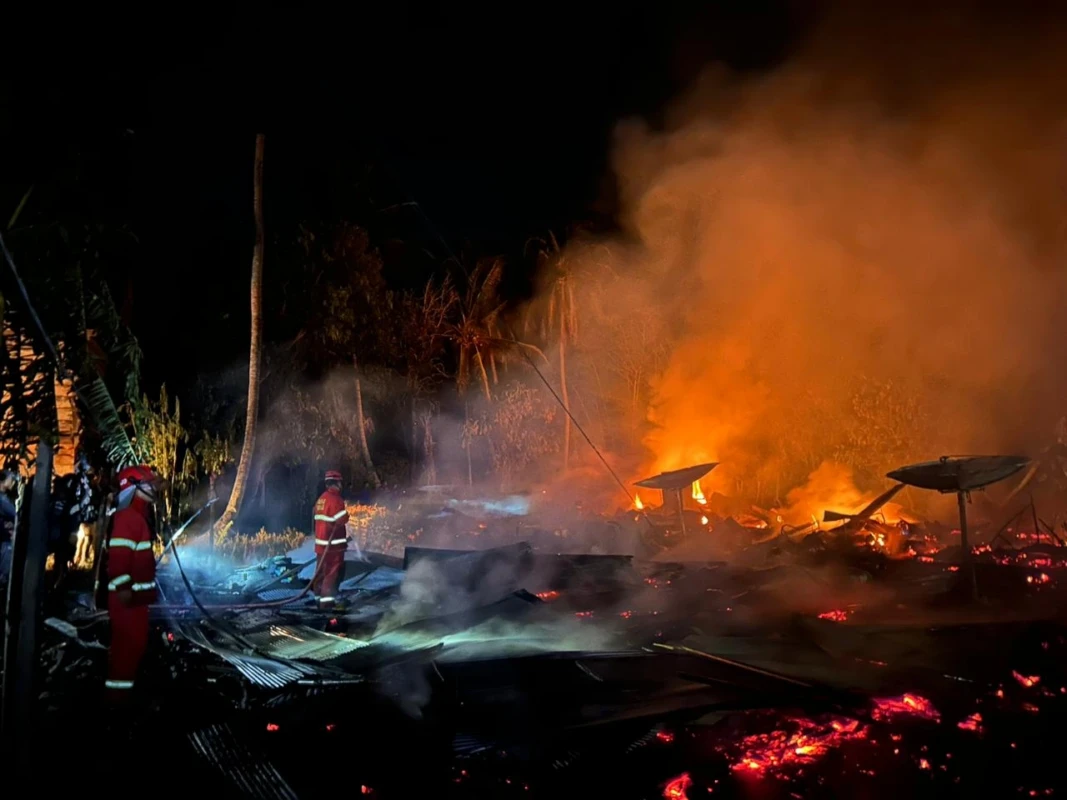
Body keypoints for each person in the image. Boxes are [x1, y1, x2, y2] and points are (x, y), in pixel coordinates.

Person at [105, 464, 159, 704]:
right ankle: (116, 708)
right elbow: (118, 563)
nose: (154, 489)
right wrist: (126, 594)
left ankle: (121, 702)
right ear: (135, 488)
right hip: (127, 606)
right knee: (125, 659)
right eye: (149, 484)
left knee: (131, 655)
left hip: (136, 604)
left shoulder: (137, 516)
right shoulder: (128, 517)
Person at [312, 469, 349, 608]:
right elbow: (341, 519)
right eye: (340, 482)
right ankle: (326, 605)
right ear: (337, 483)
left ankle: (318, 599)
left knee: (321, 573)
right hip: (333, 547)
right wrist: (346, 515)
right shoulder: (336, 499)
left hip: (321, 544)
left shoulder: (321, 499)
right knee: (331, 575)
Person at [0, 468, 17, 587]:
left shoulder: (5, 497)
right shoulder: (2, 499)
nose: (12, 482)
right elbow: (14, 514)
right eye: (10, 479)